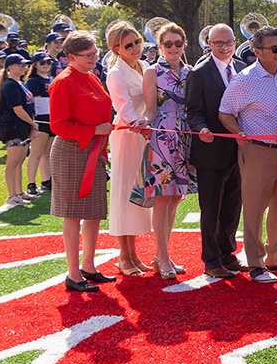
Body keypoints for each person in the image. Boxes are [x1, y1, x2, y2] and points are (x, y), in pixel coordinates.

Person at [219, 26, 277, 284]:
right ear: (257, 52)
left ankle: (276, 258)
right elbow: (225, 112)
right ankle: (255, 263)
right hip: (256, 150)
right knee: (255, 209)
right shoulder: (244, 80)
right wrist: (238, 134)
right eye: (275, 48)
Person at [50, 31, 115, 292]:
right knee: (73, 214)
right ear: (71, 57)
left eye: (95, 53)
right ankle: (73, 273)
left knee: (94, 213)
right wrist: (94, 131)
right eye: (88, 55)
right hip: (72, 151)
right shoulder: (63, 82)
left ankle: (89, 266)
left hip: (94, 150)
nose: (94, 58)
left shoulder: (92, 77)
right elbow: (58, 125)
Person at [130, 23, 196, 279]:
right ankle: (163, 256)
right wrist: (145, 123)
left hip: (185, 137)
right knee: (162, 198)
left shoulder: (191, 72)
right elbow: (150, 110)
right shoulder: (152, 72)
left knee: (175, 199)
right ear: (159, 46)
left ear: (184, 45)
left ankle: (161, 255)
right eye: (167, 44)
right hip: (162, 139)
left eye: (177, 44)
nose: (173, 48)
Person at [185, 24, 247, 278]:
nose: (224, 47)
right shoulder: (198, 74)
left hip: (240, 150)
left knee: (233, 206)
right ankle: (211, 260)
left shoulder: (244, 69)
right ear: (208, 43)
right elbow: (193, 111)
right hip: (210, 151)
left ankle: (227, 253)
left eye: (228, 42)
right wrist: (200, 129)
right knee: (211, 208)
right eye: (218, 42)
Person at [105, 21, 153, 275]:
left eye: (137, 42)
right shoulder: (115, 74)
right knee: (125, 193)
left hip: (146, 135)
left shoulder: (145, 67)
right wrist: (143, 126)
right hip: (128, 136)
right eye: (128, 45)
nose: (135, 48)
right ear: (117, 49)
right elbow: (124, 110)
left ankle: (134, 255)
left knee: (141, 193)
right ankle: (125, 257)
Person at [0, 54, 37, 205]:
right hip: (13, 127)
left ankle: (19, 192)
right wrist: (33, 124)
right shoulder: (10, 85)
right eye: (20, 65)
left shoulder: (19, 83)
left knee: (20, 160)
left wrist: (30, 124)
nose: (23, 67)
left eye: (25, 65)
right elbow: (17, 109)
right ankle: (12, 195)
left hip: (21, 126)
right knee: (13, 162)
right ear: (10, 67)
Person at [25, 52, 54, 196]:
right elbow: (37, 102)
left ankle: (46, 180)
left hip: (52, 120)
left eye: (49, 62)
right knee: (35, 153)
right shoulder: (33, 81)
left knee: (47, 154)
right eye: (43, 62)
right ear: (35, 64)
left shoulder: (52, 78)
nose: (46, 65)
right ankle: (31, 183)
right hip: (40, 120)